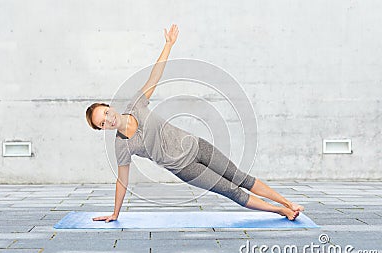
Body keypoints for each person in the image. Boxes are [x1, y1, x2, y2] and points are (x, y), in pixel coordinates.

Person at [85, 24, 304, 223]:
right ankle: (281, 211)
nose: (108, 119)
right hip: (185, 168)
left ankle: (287, 203)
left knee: (240, 178)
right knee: (232, 191)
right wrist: (115, 213)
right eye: (102, 123)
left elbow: (154, 77)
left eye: (105, 113)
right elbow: (122, 181)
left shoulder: (136, 105)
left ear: (108, 106)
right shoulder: (122, 145)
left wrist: (168, 45)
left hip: (198, 145)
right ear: (103, 128)